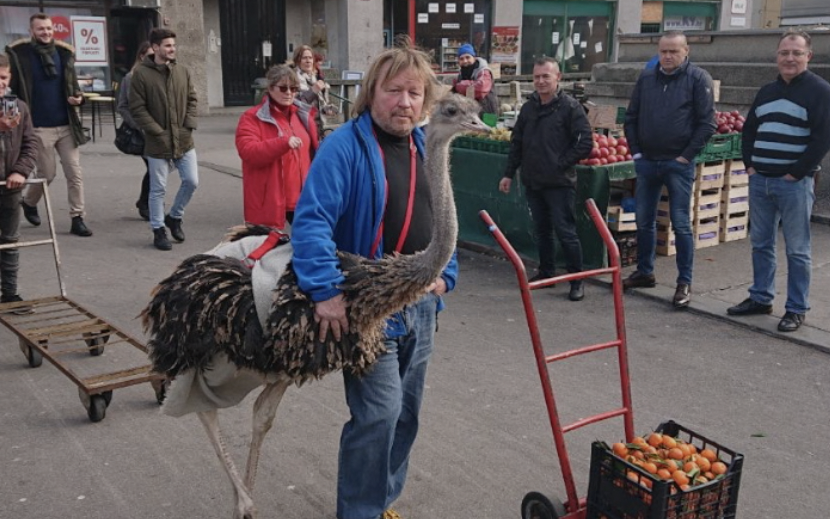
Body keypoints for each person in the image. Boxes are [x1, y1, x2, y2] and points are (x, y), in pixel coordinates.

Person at [290, 43, 456, 519]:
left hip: (423, 303)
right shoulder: (346, 144)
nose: (404, 102)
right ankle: (359, 512)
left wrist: (448, 277)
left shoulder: (427, 144)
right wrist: (325, 290)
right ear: (372, 94)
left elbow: (444, 215)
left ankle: (382, 501)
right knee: (378, 415)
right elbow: (313, 219)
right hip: (371, 306)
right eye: (393, 91)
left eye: (413, 92)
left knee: (406, 415)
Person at [726, 30, 830, 332]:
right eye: (784, 52)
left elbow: (823, 138)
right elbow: (749, 131)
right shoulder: (766, 91)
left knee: (797, 249)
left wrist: (796, 172)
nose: (790, 58)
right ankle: (761, 297)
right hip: (761, 181)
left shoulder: (820, 91)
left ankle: (796, 308)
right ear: (777, 56)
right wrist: (750, 166)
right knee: (761, 243)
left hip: (793, 184)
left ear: (808, 56)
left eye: (797, 53)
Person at [622, 30, 716, 309]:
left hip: (678, 165)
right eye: (663, 51)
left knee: (681, 223)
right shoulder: (647, 78)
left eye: (674, 51)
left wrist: (686, 157)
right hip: (648, 161)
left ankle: (684, 282)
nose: (668, 56)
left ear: (686, 51)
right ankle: (644, 272)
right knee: (644, 221)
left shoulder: (698, 79)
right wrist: (637, 152)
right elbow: (631, 117)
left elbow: (707, 124)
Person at [498, 57, 592, 302]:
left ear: (558, 78)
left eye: (546, 76)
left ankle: (576, 280)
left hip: (560, 184)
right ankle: (546, 271)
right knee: (541, 231)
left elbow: (585, 144)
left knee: (566, 232)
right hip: (533, 181)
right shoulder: (529, 108)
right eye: (537, 77)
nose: (540, 81)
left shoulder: (571, 107)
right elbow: (517, 142)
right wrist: (509, 173)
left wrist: (560, 164)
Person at [5, 13, 92, 237]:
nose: (46, 33)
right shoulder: (21, 56)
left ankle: (77, 217)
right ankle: (30, 202)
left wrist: (79, 99)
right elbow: (10, 90)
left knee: (75, 173)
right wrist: (11, 122)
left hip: (66, 125)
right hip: (38, 127)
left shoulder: (63, 54)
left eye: (49, 28)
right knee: (47, 174)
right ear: (31, 31)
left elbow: (74, 88)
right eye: (41, 29)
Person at [129, 28, 199, 251]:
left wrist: (189, 124)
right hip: (157, 142)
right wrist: (156, 130)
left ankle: (175, 216)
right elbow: (137, 108)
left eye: (174, 46)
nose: (172, 49)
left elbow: (192, 99)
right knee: (158, 188)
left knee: (191, 180)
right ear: (156, 47)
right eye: (168, 45)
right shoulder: (141, 74)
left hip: (184, 139)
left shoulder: (183, 71)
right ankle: (158, 229)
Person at [235, 64, 318, 229]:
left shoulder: (302, 115)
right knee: (268, 249)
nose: (289, 93)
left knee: (309, 246)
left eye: (293, 89)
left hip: (303, 197)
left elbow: (313, 153)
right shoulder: (252, 117)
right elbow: (248, 152)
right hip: (270, 198)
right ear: (270, 88)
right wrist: (282, 142)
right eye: (283, 88)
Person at [0, 53, 39, 312]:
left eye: (4, 78)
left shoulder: (16, 106)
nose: (1, 84)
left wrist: (21, 172)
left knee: (11, 241)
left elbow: (30, 143)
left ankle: (10, 293)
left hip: (10, 188)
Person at [117, 41, 153, 221]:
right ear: (141, 56)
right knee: (155, 168)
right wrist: (138, 125)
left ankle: (147, 201)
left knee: (159, 169)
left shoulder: (158, 76)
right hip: (143, 132)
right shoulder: (131, 78)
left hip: (159, 130)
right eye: (150, 55)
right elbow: (122, 106)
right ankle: (147, 203)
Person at [451, 43, 499, 116]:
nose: (465, 61)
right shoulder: (461, 73)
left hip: (488, 112)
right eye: (461, 59)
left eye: (468, 57)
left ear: (474, 57)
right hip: (471, 113)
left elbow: (480, 89)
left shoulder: (483, 71)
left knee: (490, 127)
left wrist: (459, 86)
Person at [293, 45, 329, 139]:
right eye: (304, 58)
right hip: (302, 126)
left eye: (310, 58)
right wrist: (313, 91)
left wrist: (326, 108)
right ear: (298, 60)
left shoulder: (314, 77)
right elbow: (295, 103)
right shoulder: (292, 78)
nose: (308, 61)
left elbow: (317, 103)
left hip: (318, 126)